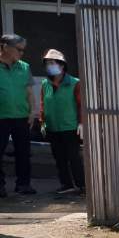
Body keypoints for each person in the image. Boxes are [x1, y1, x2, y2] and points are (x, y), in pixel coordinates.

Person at [39, 49, 84, 195]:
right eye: (47, 64)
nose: (49, 66)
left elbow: (81, 105)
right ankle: (66, 184)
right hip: (52, 127)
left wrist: (81, 123)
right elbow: (43, 104)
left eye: (52, 63)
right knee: (59, 158)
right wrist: (42, 122)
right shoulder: (45, 83)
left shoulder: (75, 83)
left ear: (62, 65)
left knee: (74, 158)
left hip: (70, 127)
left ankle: (82, 185)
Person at [0, 34, 36, 197]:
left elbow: (29, 92)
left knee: (23, 152)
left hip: (21, 116)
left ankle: (23, 184)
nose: (22, 53)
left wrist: (32, 111)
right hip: (1, 117)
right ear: (5, 47)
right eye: (19, 49)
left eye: (23, 50)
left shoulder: (24, 67)